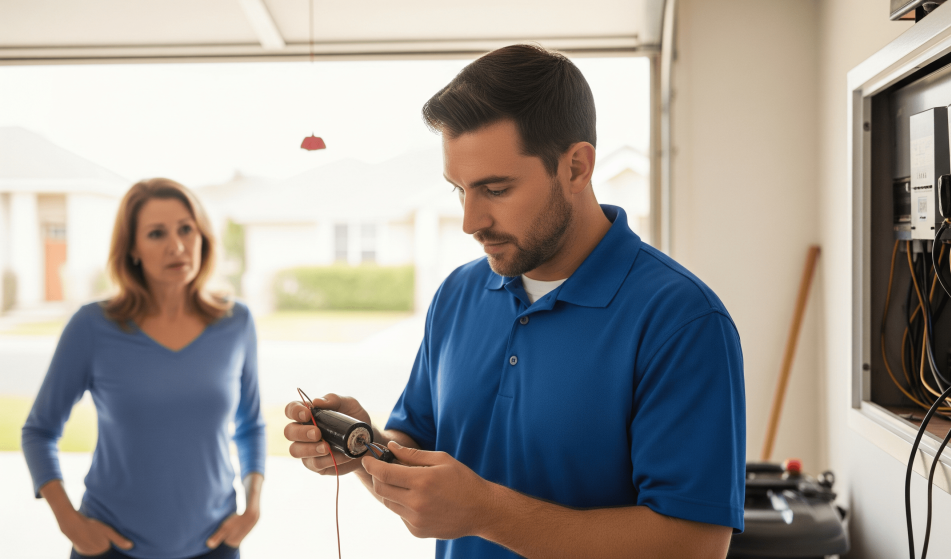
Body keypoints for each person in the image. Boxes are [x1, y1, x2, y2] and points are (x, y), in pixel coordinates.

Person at [284, 44, 745, 558]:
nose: (470, 222)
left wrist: (487, 512)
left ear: (576, 167)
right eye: (459, 190)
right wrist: (364, 449)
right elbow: (414, 447)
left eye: (496, 189)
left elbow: (695, 545)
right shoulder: (457, 295)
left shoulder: (683, 321)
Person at [22, 178, 266, 559]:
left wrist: (252, 507)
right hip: (110, 548)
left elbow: (251, 425)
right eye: (156, 233)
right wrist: (69, 521)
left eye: (186, 228)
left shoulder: (236, 322)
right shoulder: (91, 326)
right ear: (132, 248)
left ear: (202, 235)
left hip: (215, 545)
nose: (177, 245)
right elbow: (39, 431)